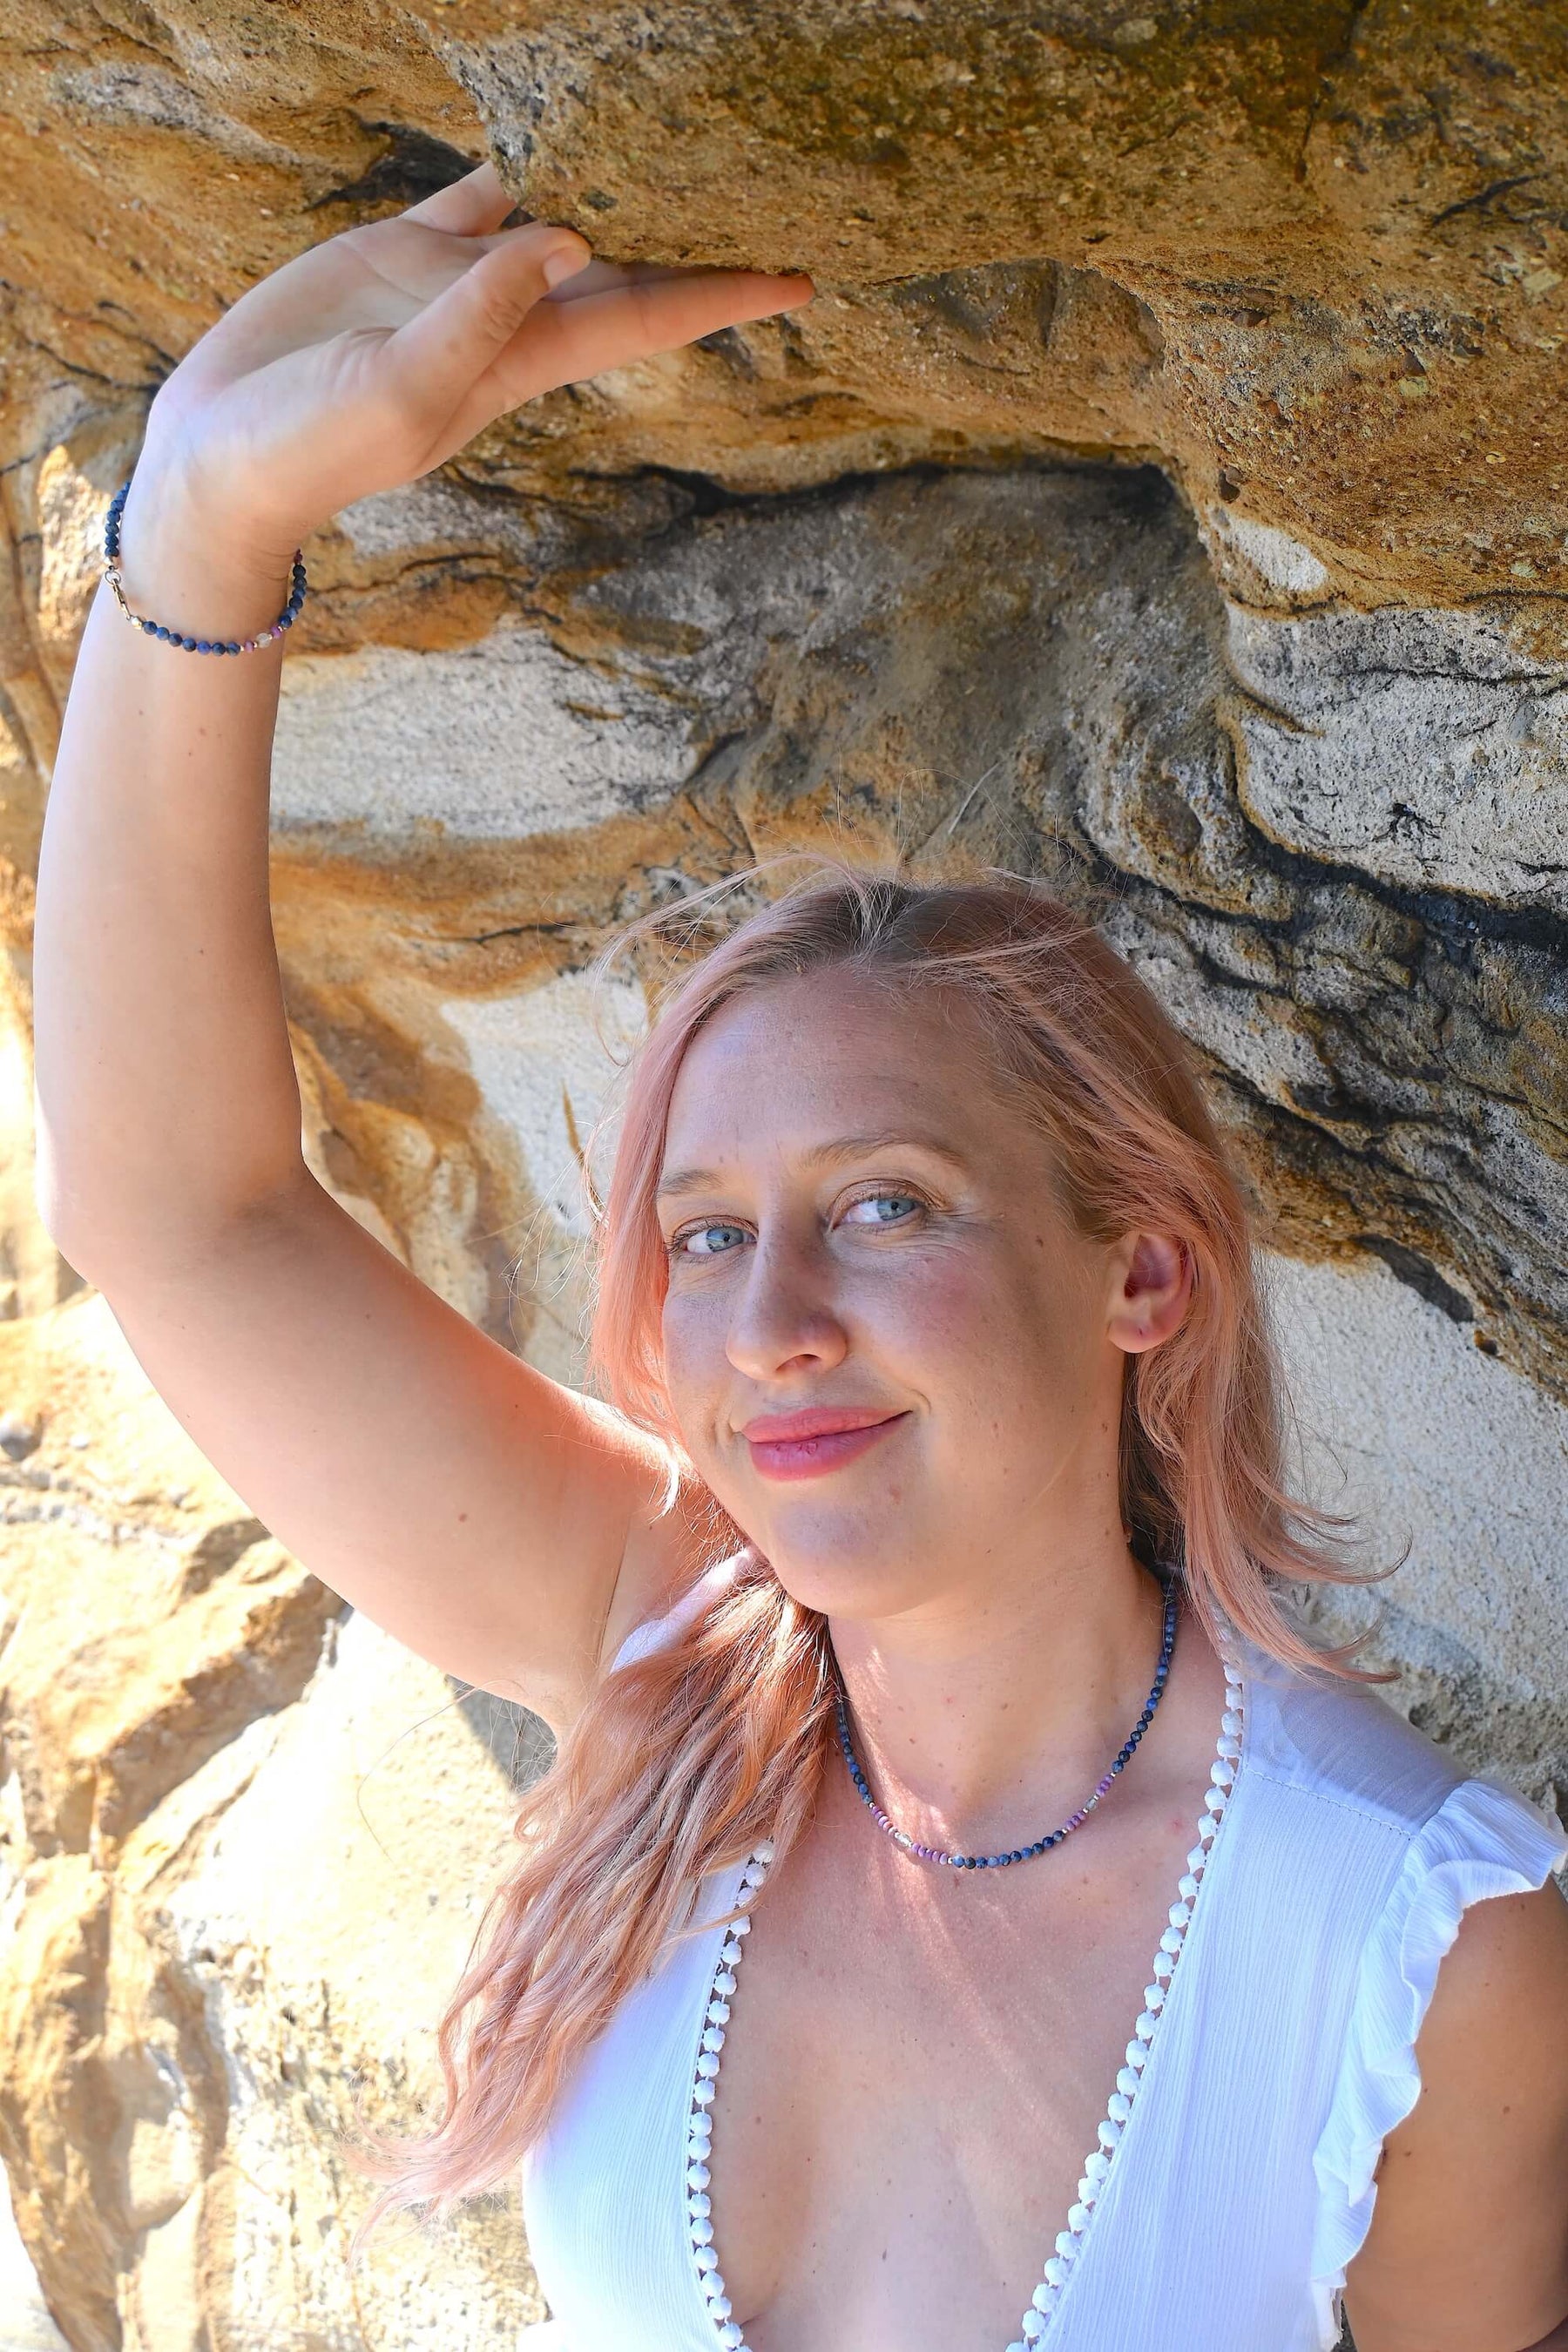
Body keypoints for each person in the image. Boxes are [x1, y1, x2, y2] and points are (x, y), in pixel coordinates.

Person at [30, 159, 1568, 2352]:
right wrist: (200, 522)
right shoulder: (664, 1658)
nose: (770, 1327)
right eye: (706, 1233)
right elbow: (178, 1212)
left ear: (1140, 1276)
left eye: (885, 1206)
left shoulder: (1408, 1953)